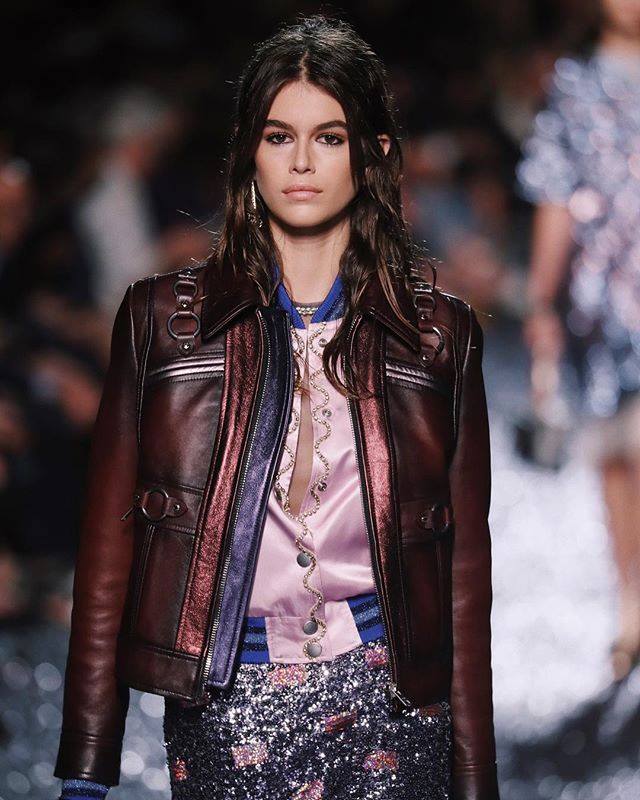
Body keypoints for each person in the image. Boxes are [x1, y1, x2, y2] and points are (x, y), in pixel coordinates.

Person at [54, 14, 499, 800]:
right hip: (227, 702)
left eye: (330, 137)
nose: (301, 162)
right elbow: (108, 553)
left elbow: (462, 573)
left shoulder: (437, 337)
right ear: (247, 152)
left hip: (393, 701)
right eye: (277, 135)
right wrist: (87, 767)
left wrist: (474, 779)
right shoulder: (162, 324)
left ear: (374, 153)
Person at [517, 0, 640, 683]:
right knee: (615, 462)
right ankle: (631, 606)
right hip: (598, 307)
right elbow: (555, 196)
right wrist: (542, 299)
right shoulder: (574, 85)